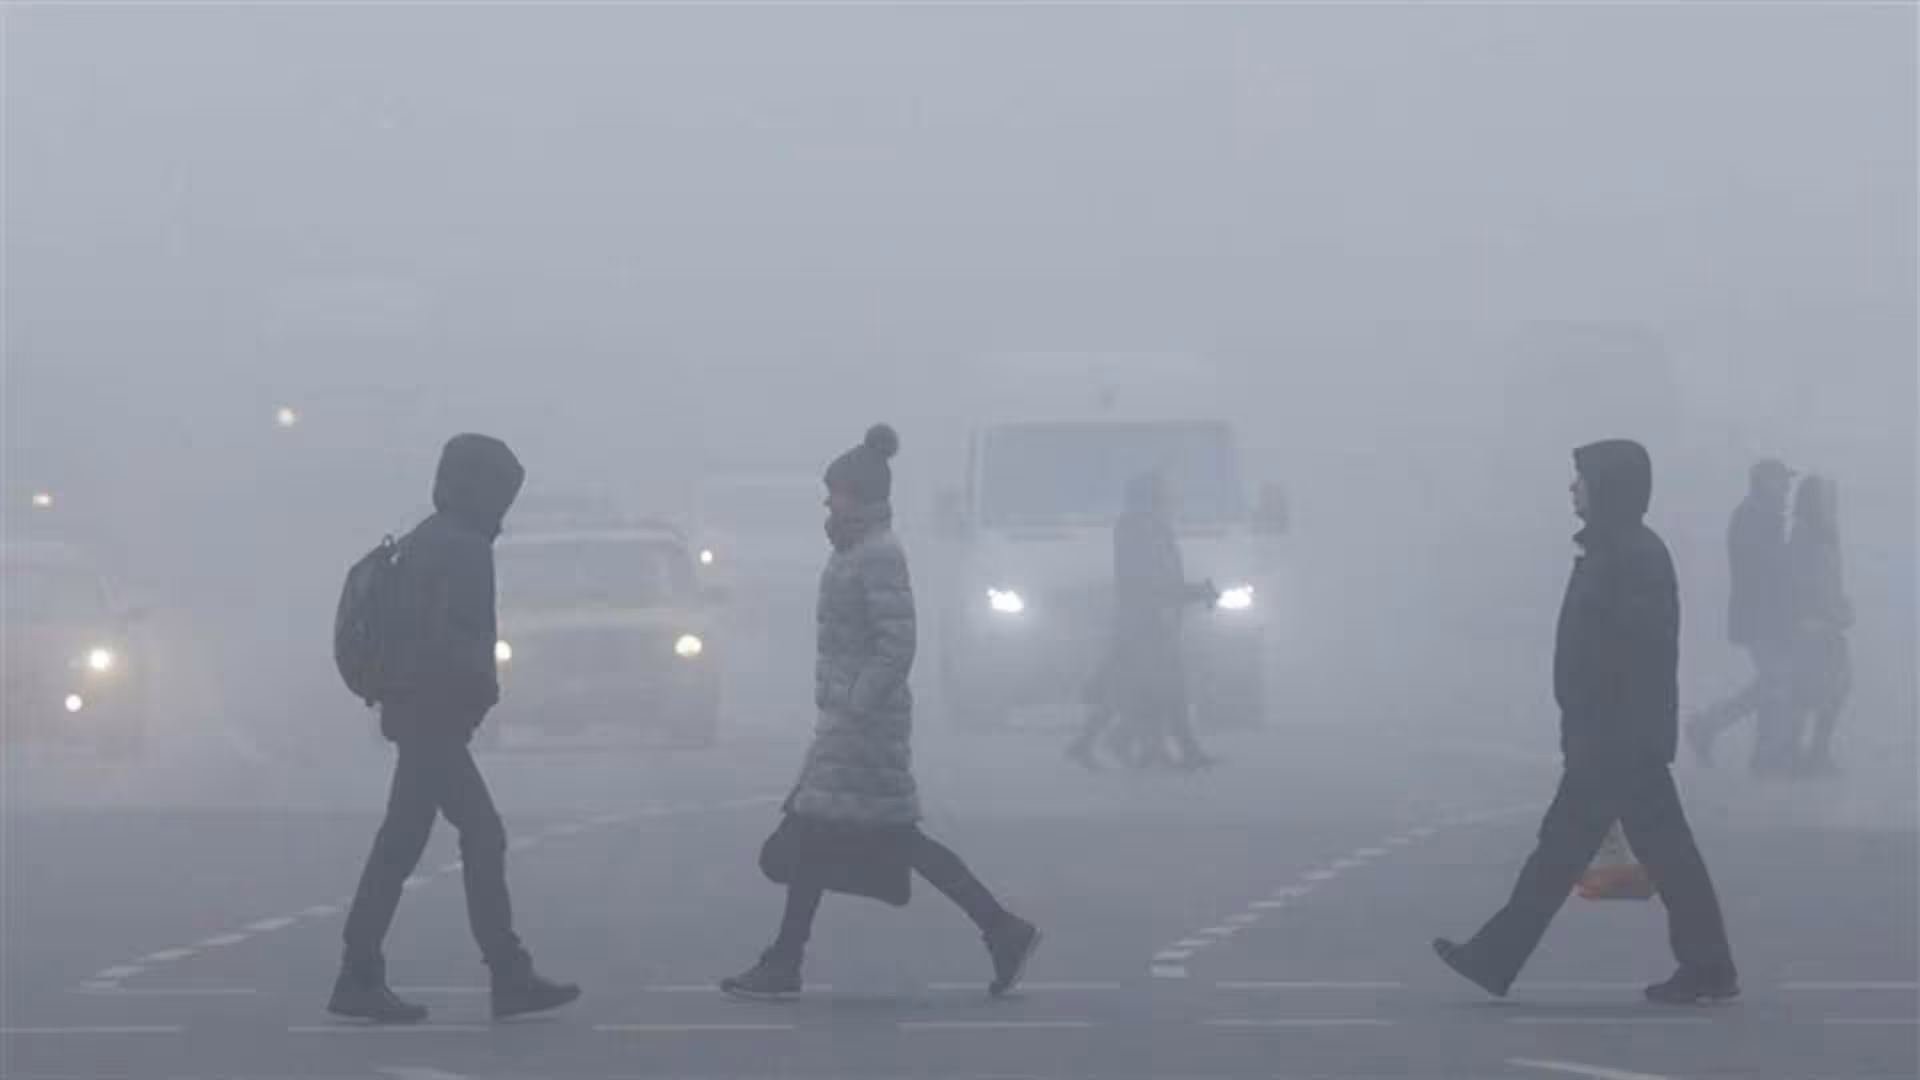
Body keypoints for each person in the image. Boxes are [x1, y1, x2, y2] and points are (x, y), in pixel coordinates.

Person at [721, 425, 1041, 1000]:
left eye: (837, 492)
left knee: (834, 832)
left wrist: (856, 701)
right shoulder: (856, 550)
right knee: (863, 836)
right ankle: (1002, 929)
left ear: (861, 496)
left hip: (864, 723)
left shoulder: (878, 555)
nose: (828, 501)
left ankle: (786, 961)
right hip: (852, 718)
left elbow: (898, 644)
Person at [1434, 439, 1739, 1005]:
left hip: (1616, 739)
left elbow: (1637, 653)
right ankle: (1708, 965)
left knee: (1567, 852)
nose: (1572, 488)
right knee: (1654, 854)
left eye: (1582, 478)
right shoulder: (1615, 550)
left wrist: (1606, 730)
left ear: (1610, 487)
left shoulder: (1632, 556)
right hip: (1615, 736)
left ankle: (1496, 956)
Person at [330, 435, 580, 1025]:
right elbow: (458, 639)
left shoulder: (424, 538)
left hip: (411, 710)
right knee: (479, 835)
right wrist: (479, 697)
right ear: (485, 489)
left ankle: (361, 972)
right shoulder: (465, 548)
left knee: (403, 843)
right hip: (434, 718)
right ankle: (504, 973)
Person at [1065, 472, 1219, 771]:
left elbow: (1161, 578)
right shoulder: (1138, 529)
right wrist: (1193, 592)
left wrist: (1187, 593)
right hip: (1145, 621)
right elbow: (1150, 580)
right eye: (1163, 495)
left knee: (1129, 686)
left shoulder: (1149, 527)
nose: (1170, 500)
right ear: (1148, 498)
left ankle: (1091, 742)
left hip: (1151, 618)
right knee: (1165, 687)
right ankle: (1173, 749)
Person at [1687, 458, 1796, 771]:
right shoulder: (1754, 516)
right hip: (1760, 615)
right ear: (1765, 482)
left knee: (1771, 682)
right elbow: (1762, 570)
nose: (1787, 487)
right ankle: (1763, 753)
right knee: (1776, 682)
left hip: (1764, 614)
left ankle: (1711, 726)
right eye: (1782, 480)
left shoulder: (1763, 515)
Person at [1786, 475, 1852, 774]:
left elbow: (1831, 579)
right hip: (1810, 625)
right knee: (1809, 689)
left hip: (1829, 623)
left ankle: (1815, 750)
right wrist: (1818, 611)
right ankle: (1802, 752)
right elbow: (1799, 580)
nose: (1832, 503)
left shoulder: (1828, 533)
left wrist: (1841, 605)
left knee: (1837, 686)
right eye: (1827, 497)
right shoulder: (1803, 535)